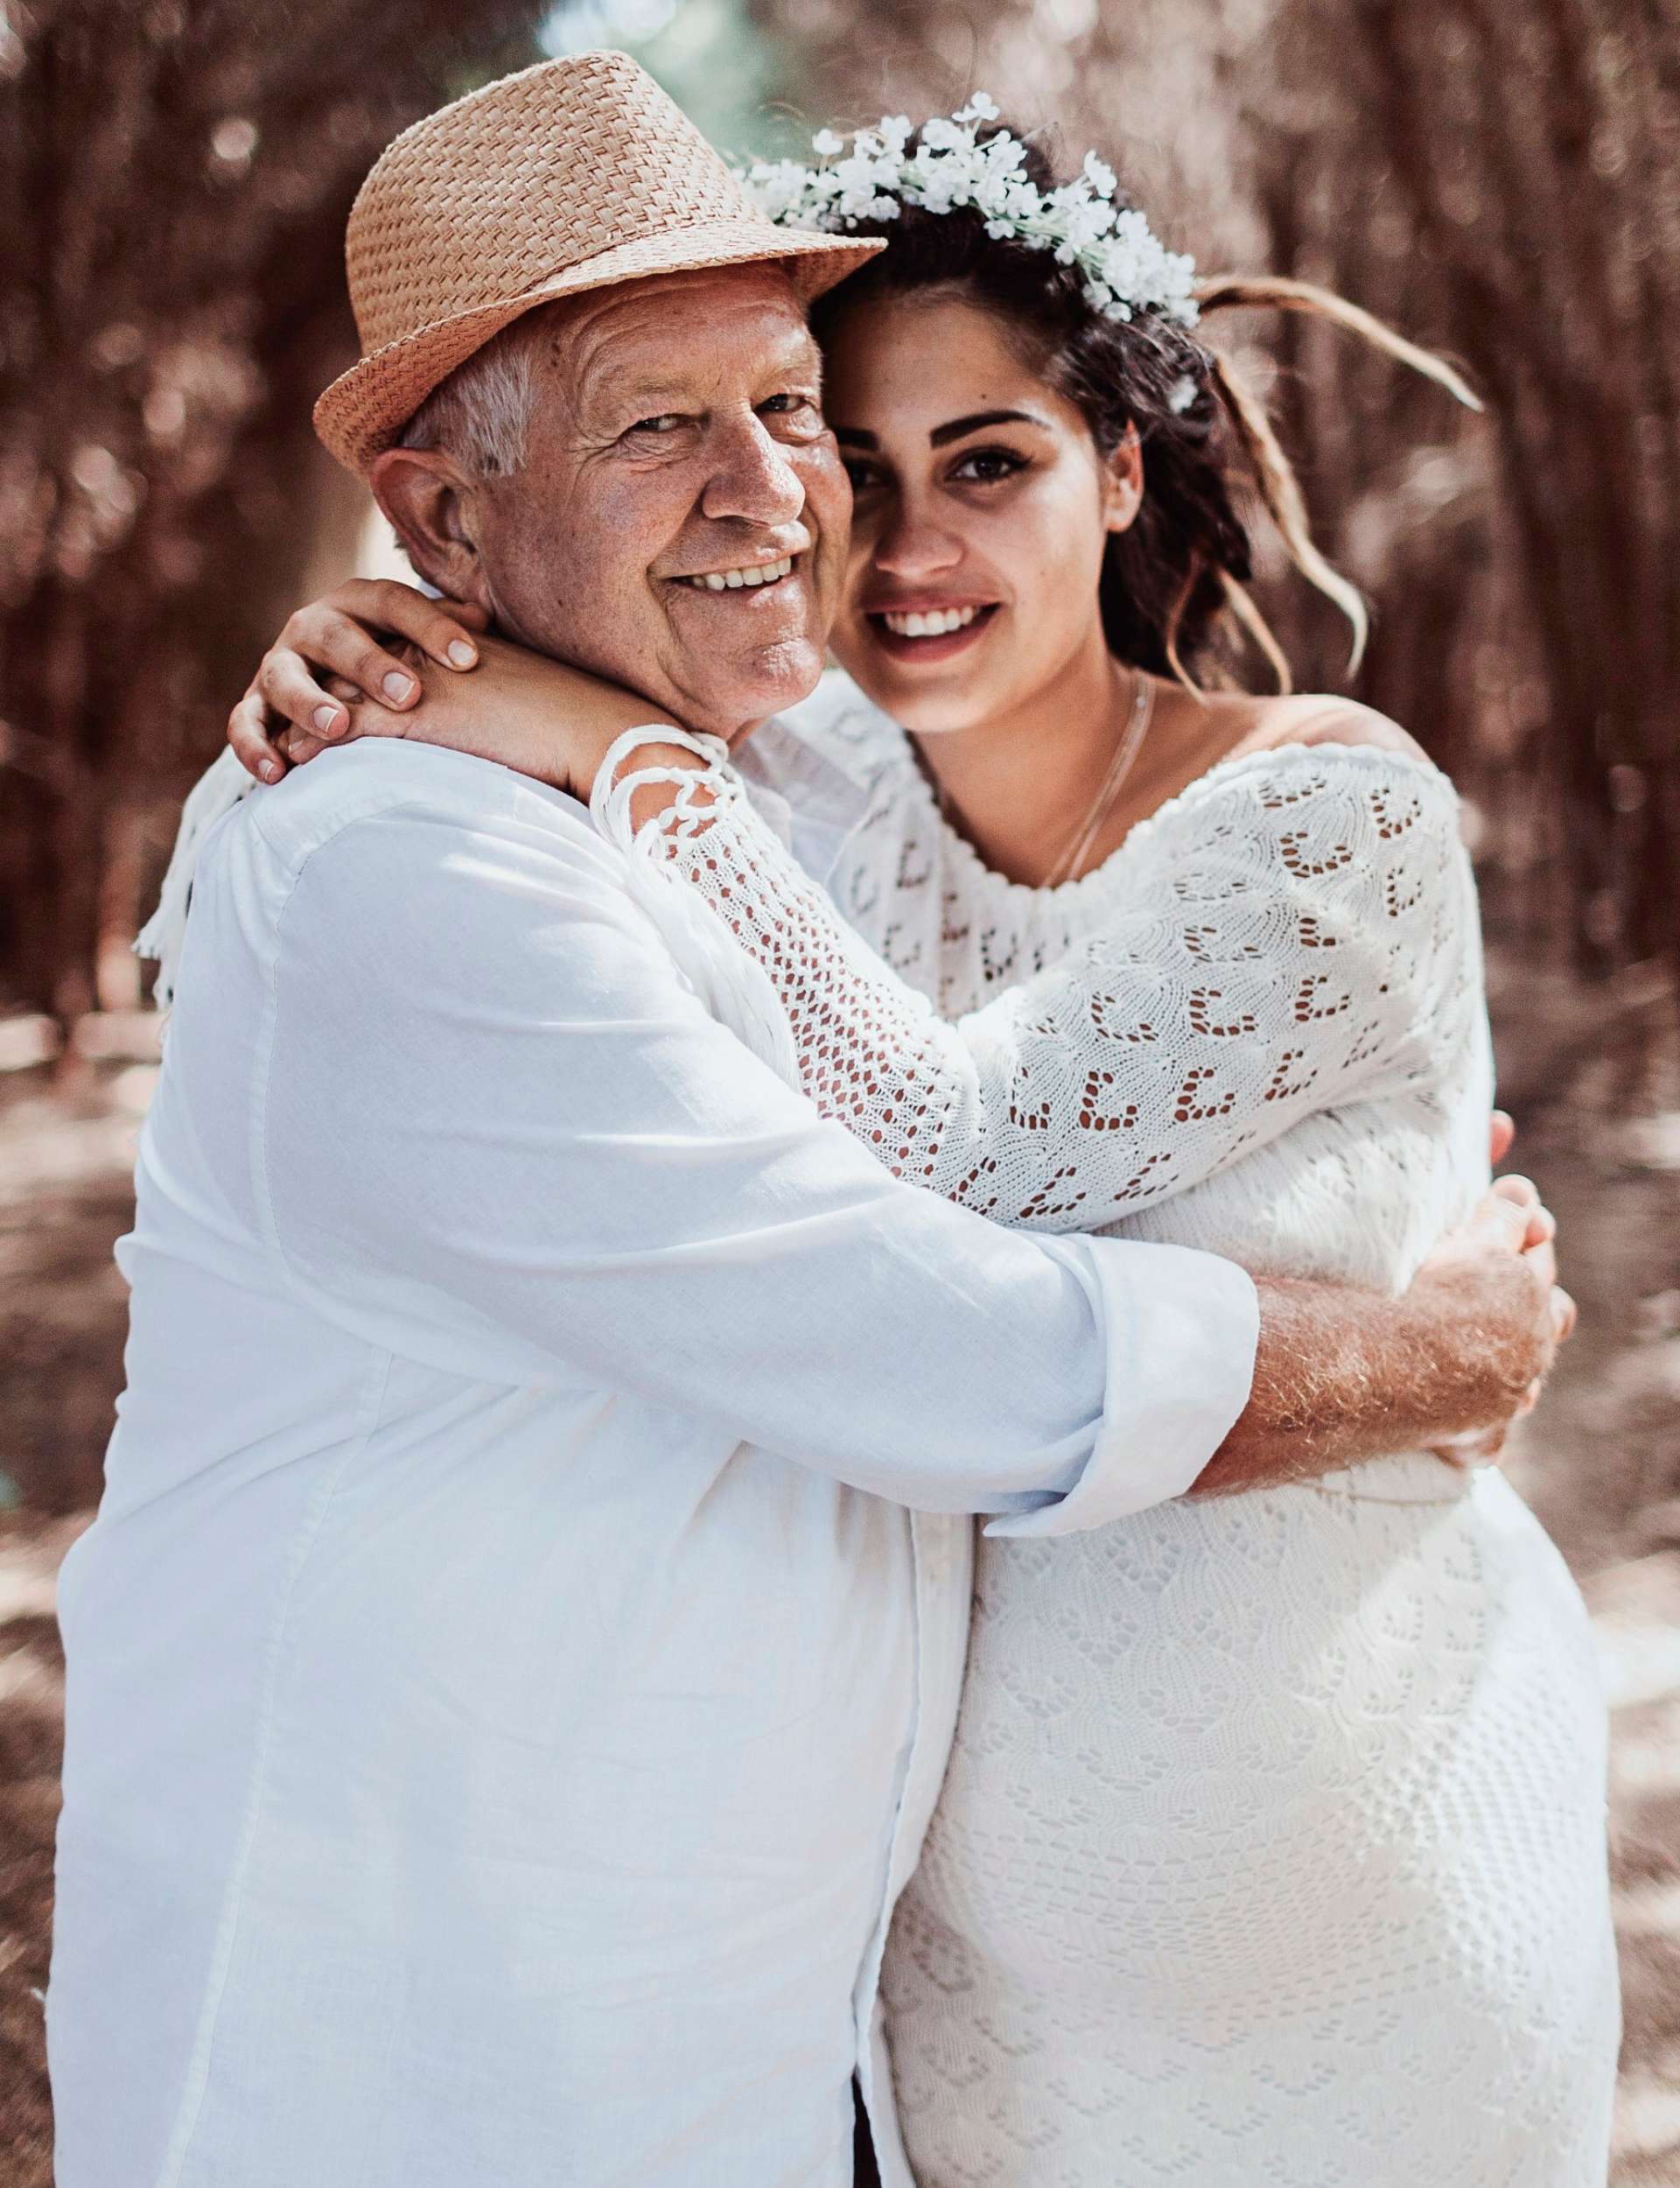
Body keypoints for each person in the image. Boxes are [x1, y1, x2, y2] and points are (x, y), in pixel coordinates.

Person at [228, 92, 1615, 2188]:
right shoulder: (812, 804)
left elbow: (962, 1156)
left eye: (989, 462)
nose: (898, 537)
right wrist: (377, 648)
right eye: (844, 460)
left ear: (1122, 472)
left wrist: (595, 735)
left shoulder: (1330, 814)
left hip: (1351, 1931)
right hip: (945, 1998)